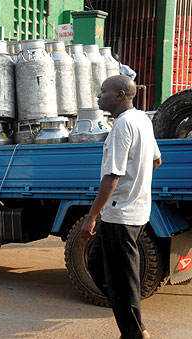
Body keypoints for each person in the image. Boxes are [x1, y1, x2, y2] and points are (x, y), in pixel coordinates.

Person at [81, 75, 161, 339]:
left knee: (122, 280)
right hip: (126, 212)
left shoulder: (123, 126)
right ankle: (132, 324)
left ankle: (135, 333)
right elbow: (156, 161)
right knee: (97, 268)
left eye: (103, 92)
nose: (98, 96)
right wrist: (138, 183)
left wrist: (91, 217)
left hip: (121, 216)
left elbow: (112, 177)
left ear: (120, 95)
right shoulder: (143, 120)